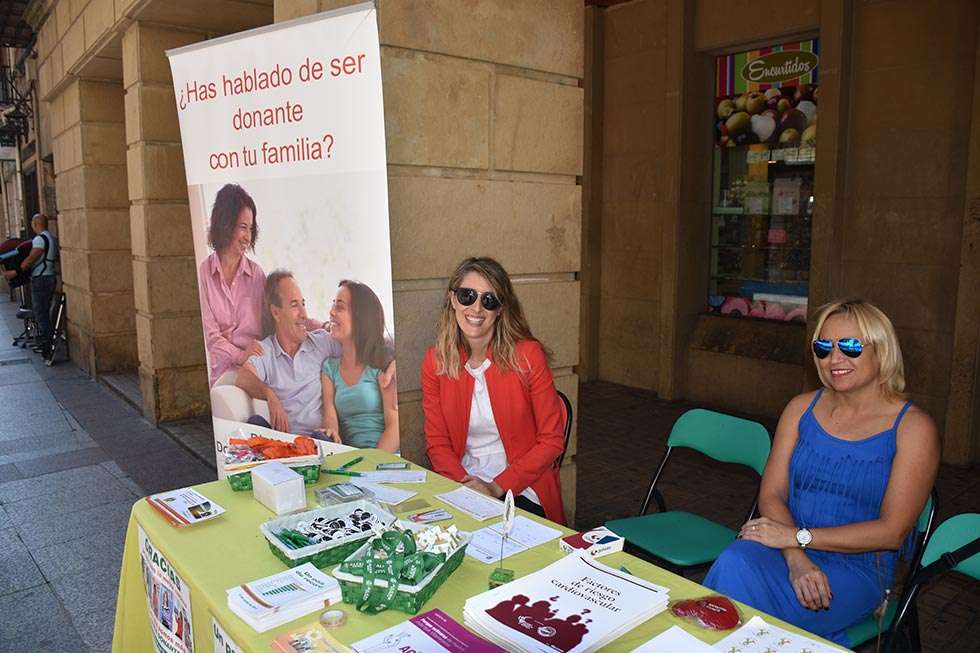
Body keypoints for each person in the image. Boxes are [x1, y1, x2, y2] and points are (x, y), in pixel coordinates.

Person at [703, 299, 940, 647]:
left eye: (851, 346)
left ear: (883, 351)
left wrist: (798, 538)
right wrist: (796, 555)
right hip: (786, 548)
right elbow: (771, 495)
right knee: (734, 561)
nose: (835, 358)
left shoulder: (914, 428)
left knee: (743, 609)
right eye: (824, 347)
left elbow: (891, 533)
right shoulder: (801, 409)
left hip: (856, 569)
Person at [422, 257, 566, 524]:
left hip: (521, 484)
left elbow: (552, 440)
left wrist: (497, 487)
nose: (476, 308)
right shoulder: (435, 362)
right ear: (452, 299)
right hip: (462, 479)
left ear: (500, 309)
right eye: (467, 296)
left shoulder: (528, 355)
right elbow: (437, 443)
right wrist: (466, 487)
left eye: (489, 300)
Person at [236, 270, 394, 436]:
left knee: (321, 436)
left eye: (303, 304)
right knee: (253, 425)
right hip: (284, 440)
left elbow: (363, 341)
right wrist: (270, 395)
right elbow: (243, 377)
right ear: (276, 312)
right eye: (294, 305)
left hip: (320, 440)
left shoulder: (322, 342)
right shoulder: (265, 351)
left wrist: (392, 361)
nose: (303, 314)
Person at [320, 280, 399, 452]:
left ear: (360, 316)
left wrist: (373, 466)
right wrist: (330, 431)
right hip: (353, 460)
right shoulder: (329, 368)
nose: (331, 312)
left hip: (386, 458)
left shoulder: (382, 364)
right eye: (333, 305)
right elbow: (330, 416)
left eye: (339, 307)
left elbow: (395, 427)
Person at [3, 214, 58, 355]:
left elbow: (32, 257)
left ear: (35, 224)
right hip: (49, 276)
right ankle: (46, 341)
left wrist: (16, 272)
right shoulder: (51, 238)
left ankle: (47, 345)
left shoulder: (40, 239)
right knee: (44, 312)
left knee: (41, 313)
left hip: (41, 279)